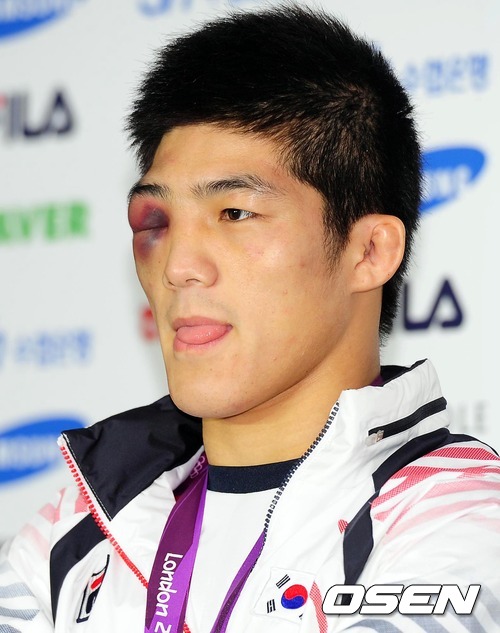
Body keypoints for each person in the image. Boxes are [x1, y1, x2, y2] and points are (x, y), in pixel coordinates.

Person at [1, 5, 499, 632]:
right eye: (157, 222)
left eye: (235, 214)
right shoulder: (71, 529)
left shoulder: (459, 515)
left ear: (370, 252)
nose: (178, 265)